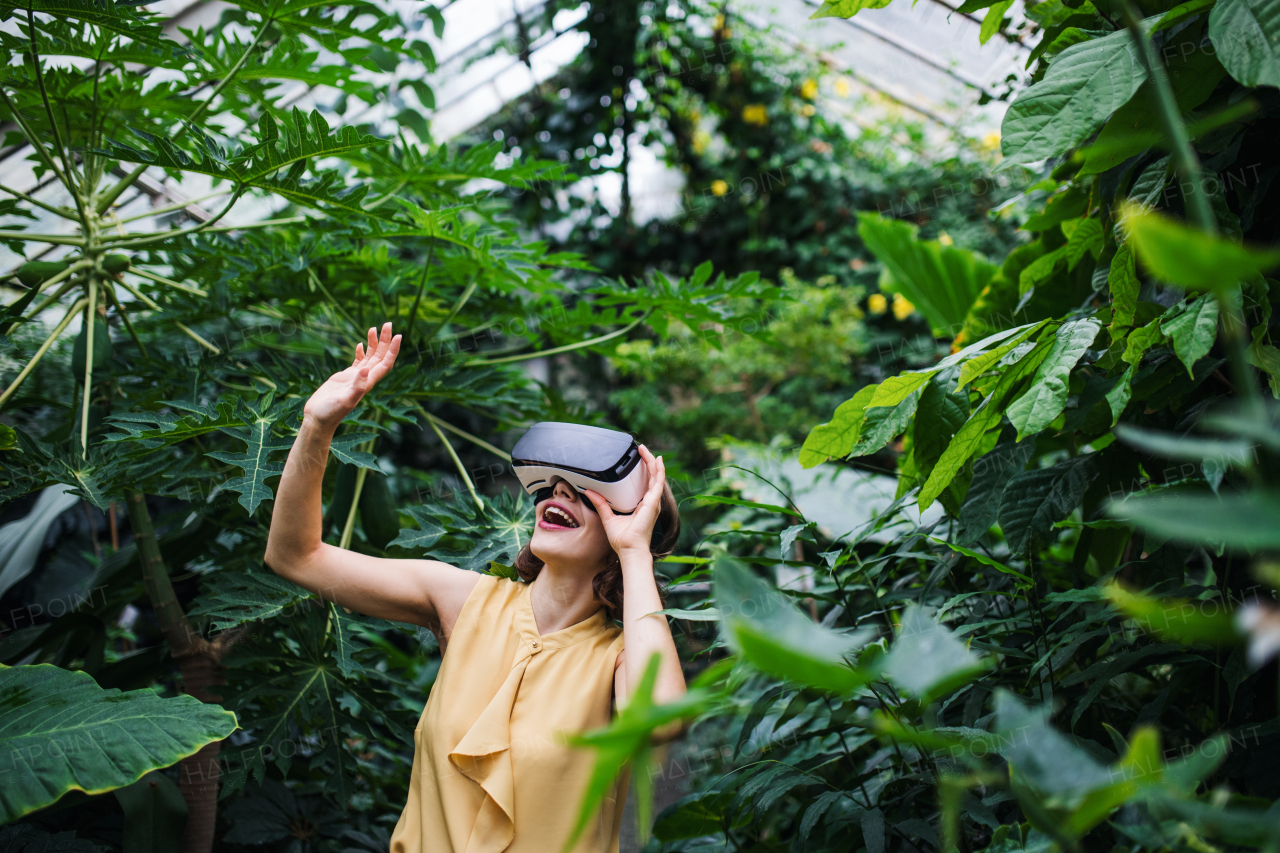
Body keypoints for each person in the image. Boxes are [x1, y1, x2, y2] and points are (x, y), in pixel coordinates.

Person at [263, 321, 687, 853]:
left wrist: (634, 552)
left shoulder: (618, 659)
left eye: (586, 493)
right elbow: (295, 556)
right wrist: (316, 426)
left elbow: (658, 720)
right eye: (552, 486)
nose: (558, 493)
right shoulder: (462, 601)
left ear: (624, 526)